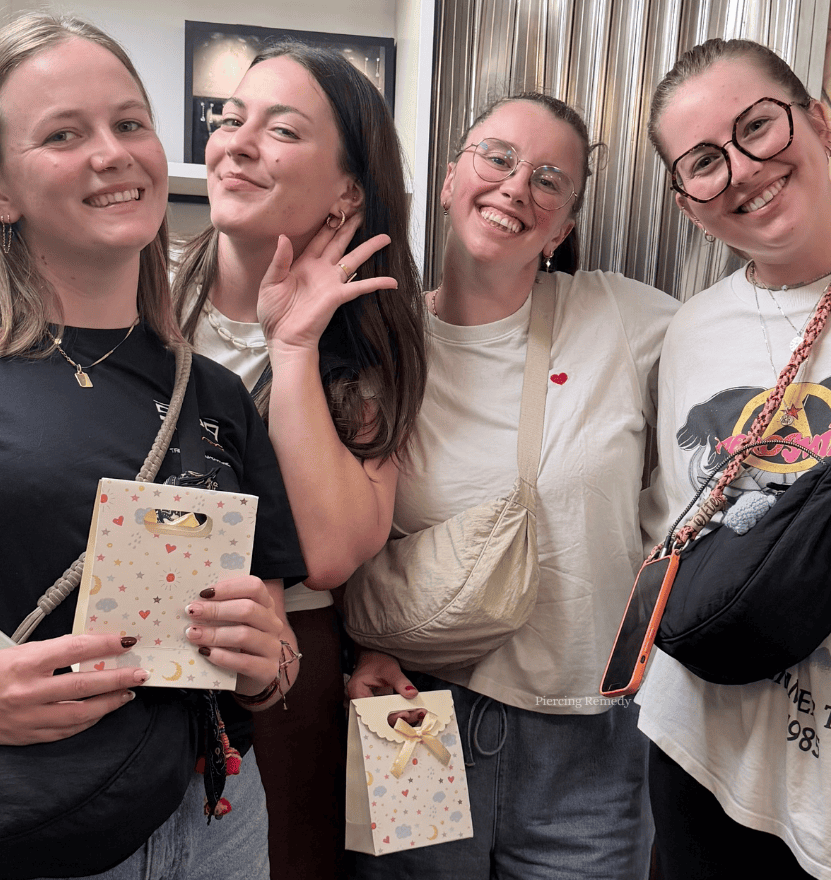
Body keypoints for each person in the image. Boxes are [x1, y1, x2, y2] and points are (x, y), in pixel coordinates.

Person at [0, 13, 306, 880]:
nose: (112, 153)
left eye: (128, 123)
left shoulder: (216, 394)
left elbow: (270, 635)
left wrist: (268, 663)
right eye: (64, 134)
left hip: (215, 815)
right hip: (17, 826)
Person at [346, 93, 678, 879]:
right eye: (497, 158)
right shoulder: (380, 340)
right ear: (452, 175)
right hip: (413, 717)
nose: (516, 187)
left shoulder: (625, 318)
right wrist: (357, 646)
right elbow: (342, 525)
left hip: (591, 745)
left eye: (549, 180)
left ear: (562, 225)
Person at [173, 43, 427, 880]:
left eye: (280, 129)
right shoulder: (141, 290)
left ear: (349, 190)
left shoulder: (367, 338)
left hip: (281, 664)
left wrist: (293, 349)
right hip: (128, 634)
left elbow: (327, 553)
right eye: (229, 118)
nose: (236, 143)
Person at [639, 38, 831, 880]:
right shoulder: (691, 331)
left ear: (819, 121)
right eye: (704, 162)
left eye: (758, 126)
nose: (744, 169)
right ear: (687, 204)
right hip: (706, 759)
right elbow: (672, 528)